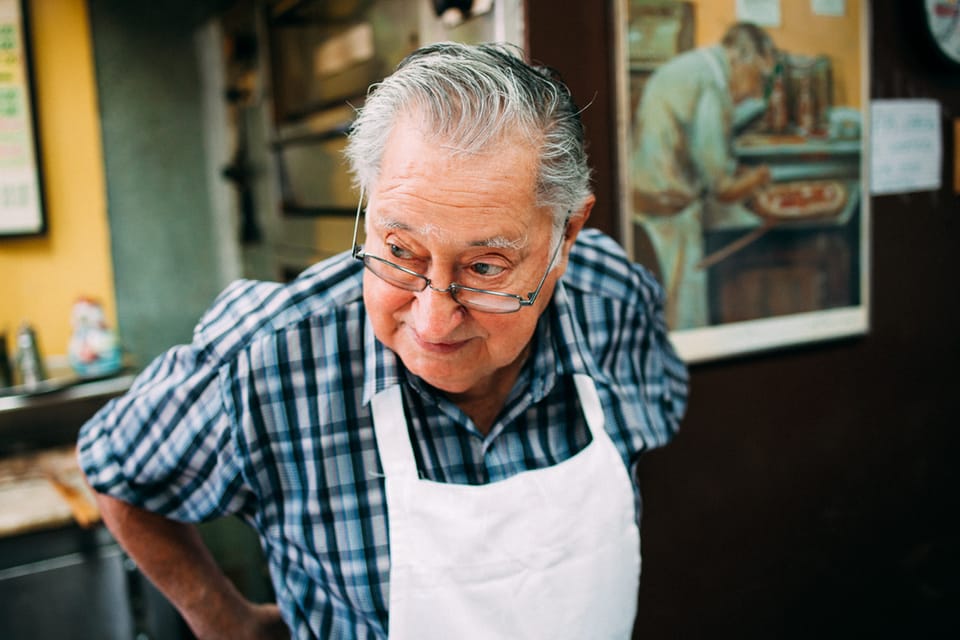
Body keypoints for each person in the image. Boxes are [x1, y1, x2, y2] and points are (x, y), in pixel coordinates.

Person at [77, 42, 689, 640]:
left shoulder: (614, 302)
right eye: (400, 252)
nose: (432, 322)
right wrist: (226, 622)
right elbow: (116, 469)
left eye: (485, 268)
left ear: (567, 236)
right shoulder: (269, 357)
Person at [631, 22, 776, 330]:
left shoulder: (694, 67)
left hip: (649, 202)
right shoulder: (712, 84)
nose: (754, 91)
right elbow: (721, 187)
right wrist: (758, 178)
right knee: (683, 320)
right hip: (669, 211)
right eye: (759, 78)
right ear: (740, 57)